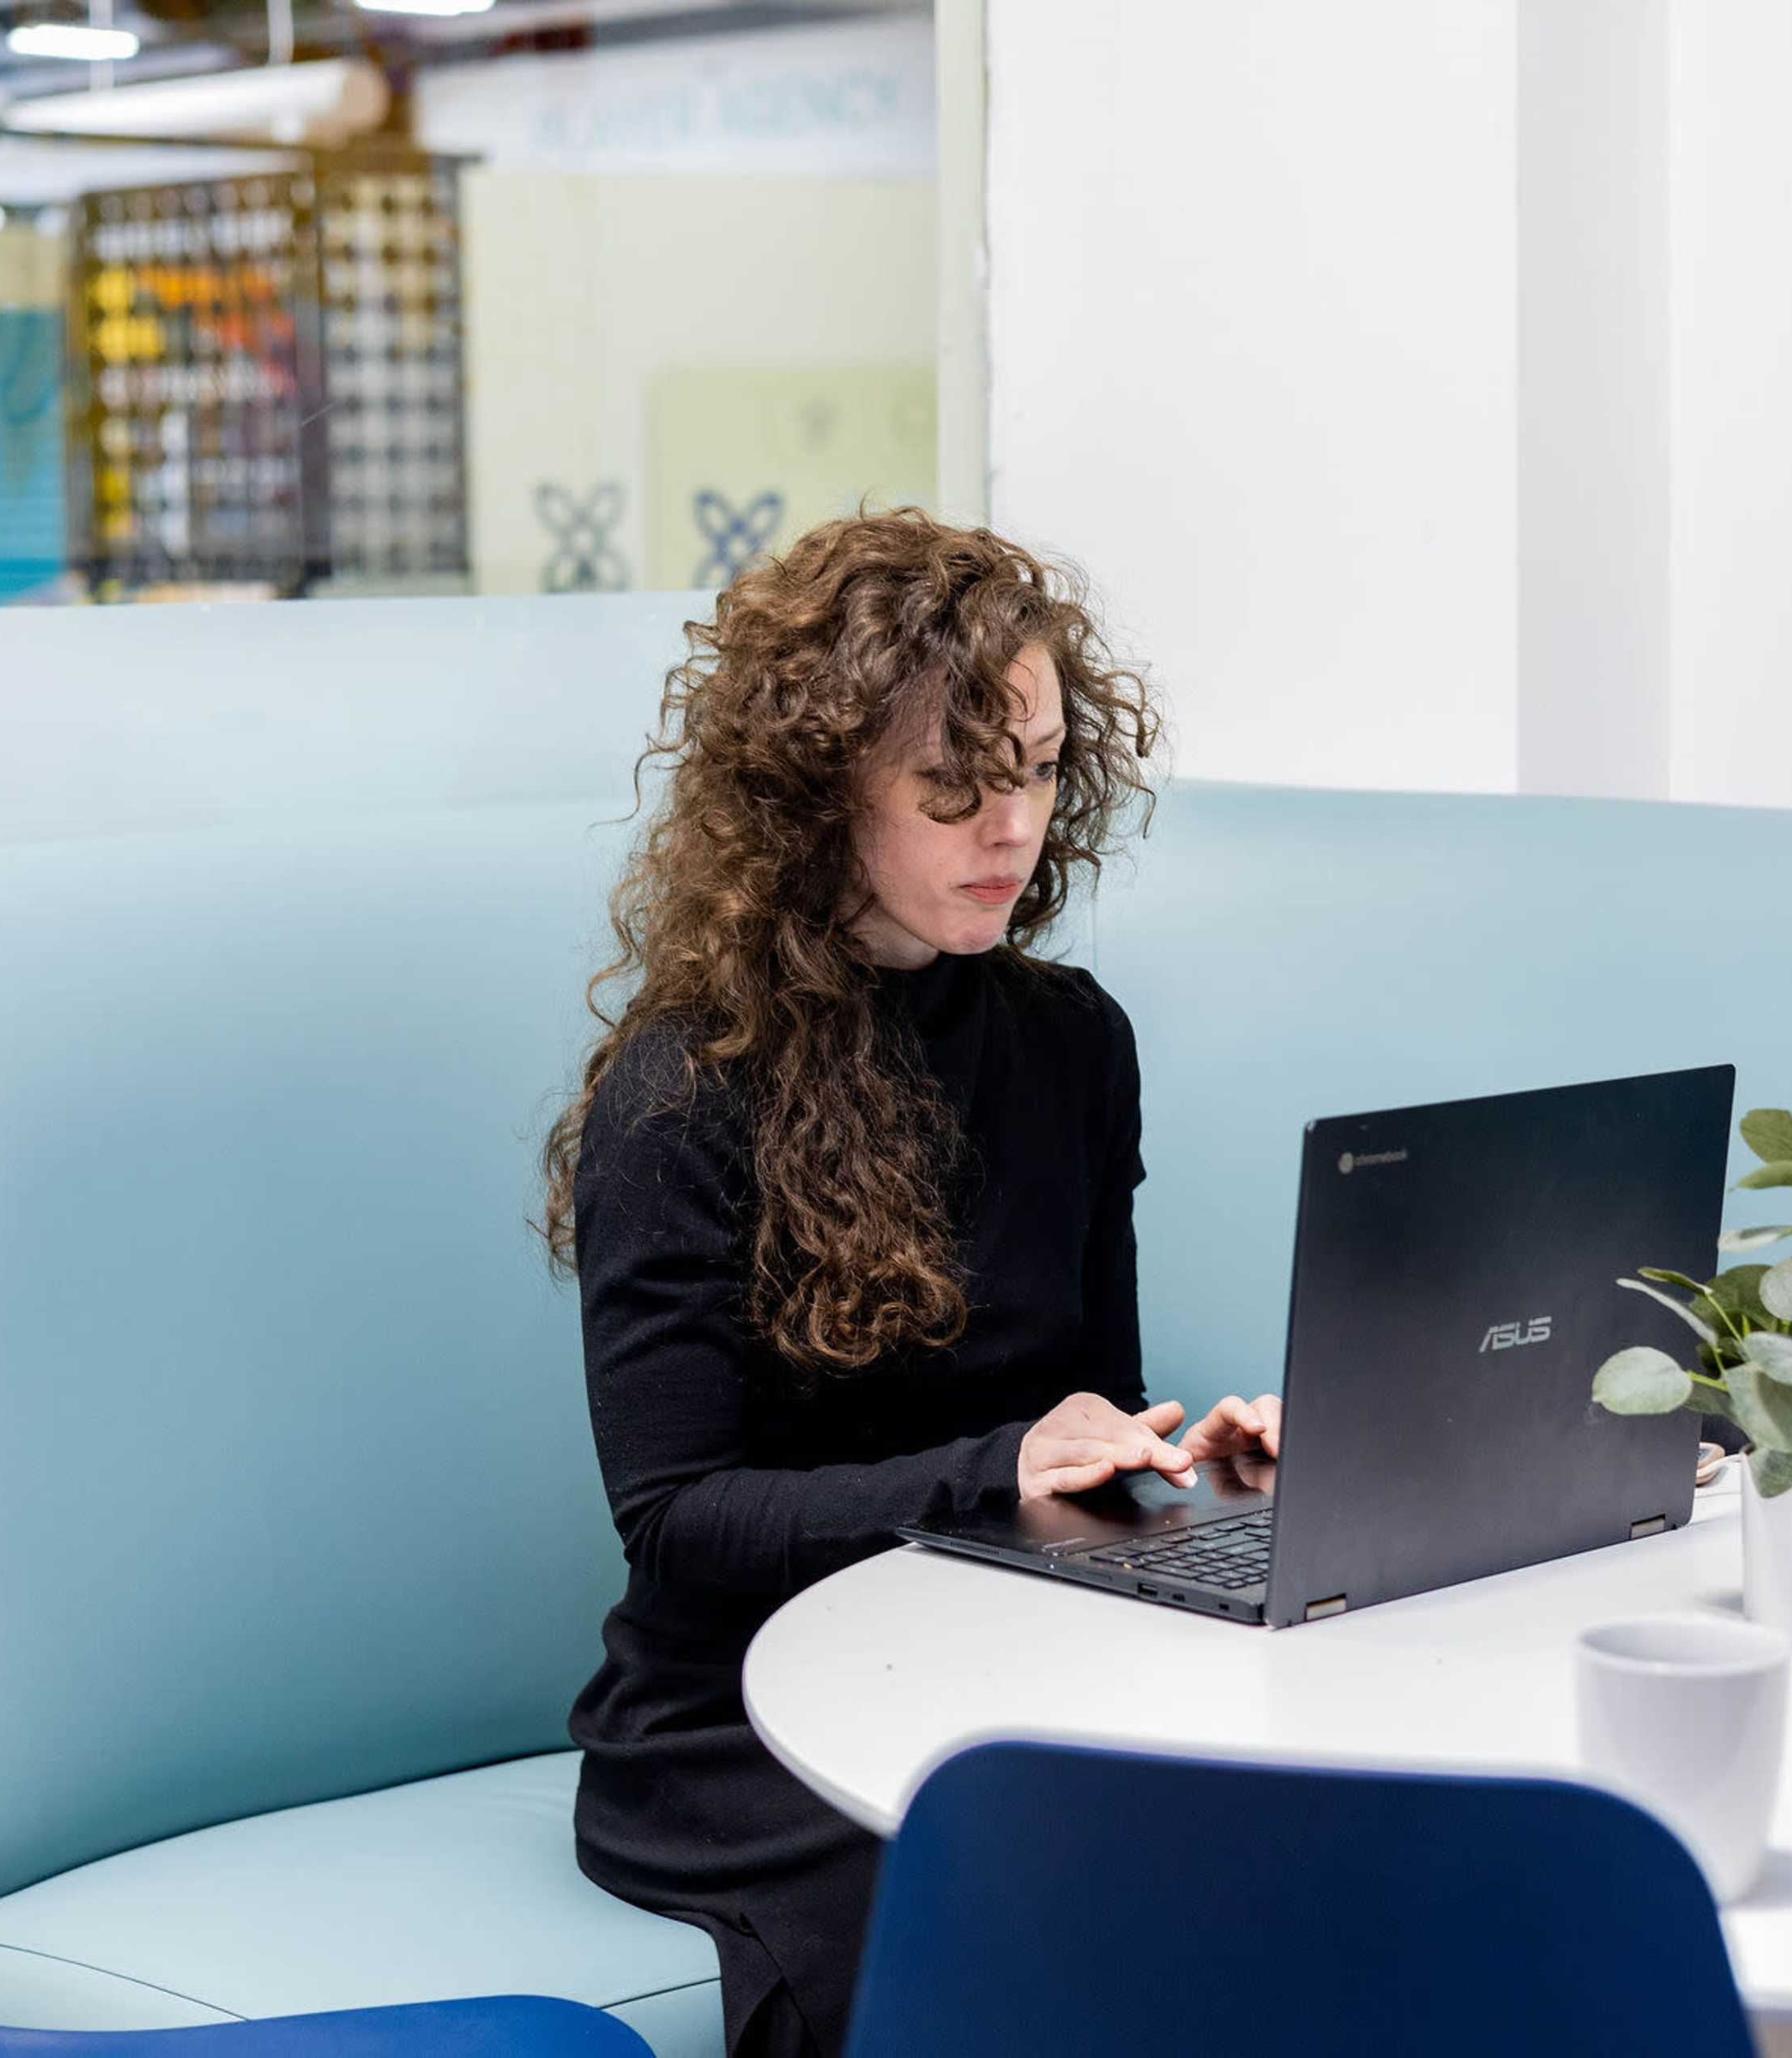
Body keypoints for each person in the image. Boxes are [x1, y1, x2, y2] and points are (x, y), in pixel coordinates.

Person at [539, 510, 1282, 2058]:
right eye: (956, 785)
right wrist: (997, 1468)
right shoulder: (684, 1091)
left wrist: (1188, 1474)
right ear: (819, 796)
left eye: (1042, 767)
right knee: (1004, 1915)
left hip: (994, 1665)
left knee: (1279, 1852)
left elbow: (1076, 1428)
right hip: (732, 1729)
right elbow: (677, 1524)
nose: (1012, 826)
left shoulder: (1075, 1042)